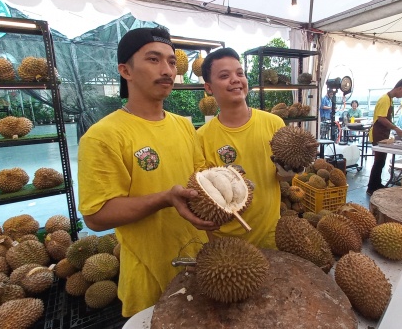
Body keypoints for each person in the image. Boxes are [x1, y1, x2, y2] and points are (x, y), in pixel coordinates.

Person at [77, 27, 217, 318]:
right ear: (125, 70)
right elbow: (96, 215)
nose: (167, 70)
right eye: (153, 60)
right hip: (148, 276)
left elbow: (199, 176)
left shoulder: (182, 125)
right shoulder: (103, 136)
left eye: (170, 61)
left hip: (200, 264)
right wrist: (165, 198)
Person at [197, 47, 290, 249]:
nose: (236, 79)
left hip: (270, 236)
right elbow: (205, 198)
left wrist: (290, 169)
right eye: (224, 75)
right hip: (225, 242)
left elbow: (284, 177)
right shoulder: (201, 138)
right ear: (209, 87)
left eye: (240, 73)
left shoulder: (274, 124)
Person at [367, 77, 402, 196]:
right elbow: (381, 118)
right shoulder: (384, 99)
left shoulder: (390, 99)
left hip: (383, 135)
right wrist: (396, 128)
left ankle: (377, 184)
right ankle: (371, 187)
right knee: (378, 161)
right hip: (378, 134)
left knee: (381, 161)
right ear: (400, 88)